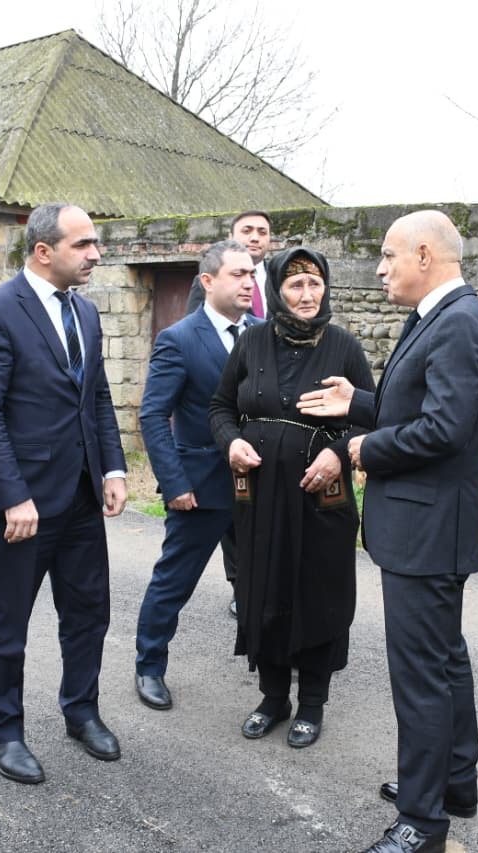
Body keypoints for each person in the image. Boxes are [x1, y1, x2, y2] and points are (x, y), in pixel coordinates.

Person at [296, 211, 478, 853]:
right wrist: (359, 403)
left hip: (428, 530)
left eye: (388, 256)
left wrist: (364, 447)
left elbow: (444, 430)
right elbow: (417, 405)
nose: (380, 269)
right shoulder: (438, 317)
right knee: (444, 660)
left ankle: (422, 822)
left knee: (421, 675)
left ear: (424, 255)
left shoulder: (460, 324)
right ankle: (453, 783)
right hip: (426, 526)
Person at [0, 202, 128, 784]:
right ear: (43, 251)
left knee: (88, 613)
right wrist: (13, 496)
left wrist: (113, 470)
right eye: (83, 244)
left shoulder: (85, 312)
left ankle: (81, 712)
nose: (95, 254)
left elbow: (97, 397)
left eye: (95, 243)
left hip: (81, 495)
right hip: (22, 505)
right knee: (8, 623)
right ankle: (3, 731)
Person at [208, 246, 374, 750]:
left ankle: (312, 703)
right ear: (277, 291)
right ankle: (273, 697)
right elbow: (220, 406)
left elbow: (373, 417)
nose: (307, 294)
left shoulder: (343, 346)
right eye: (296, 285)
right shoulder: (252, 342)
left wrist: (340, 454)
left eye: (315, 283)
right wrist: (230, 442)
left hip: (321, 495)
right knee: (264, 588)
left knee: (319, 590)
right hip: (258, 495)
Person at [134, 240, 260, 711]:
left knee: (260, 577)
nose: (248, 282)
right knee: (174, 581)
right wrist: (174, 483)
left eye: (251, 274)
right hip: (200, 487)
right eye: (237, 274)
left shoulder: (264, 334)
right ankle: (149, 666)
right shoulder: (179, 339)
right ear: (208, 281)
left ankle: (266, 660)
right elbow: (153, 416)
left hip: (258, 485)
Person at [186, 210, 274, 617]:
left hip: (265, 418)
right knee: (230, 513)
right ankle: (241, 586)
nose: (255, 237)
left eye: (262, 232)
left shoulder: (276, 279)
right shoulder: (209, 284)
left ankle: (261, 588)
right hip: (222, 417)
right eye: (247, 231)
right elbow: (197, 339)